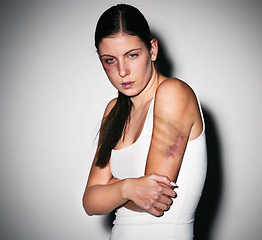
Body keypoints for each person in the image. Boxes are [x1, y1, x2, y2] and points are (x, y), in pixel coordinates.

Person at [83, 4, 207, 240]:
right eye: (110, 60)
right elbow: (90, 202)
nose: (122, 71)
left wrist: (110, 189)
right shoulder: (115, 110)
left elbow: (153, 200)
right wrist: (128, 187)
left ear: (152, 49)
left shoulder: (173, 93)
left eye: (132, 55)